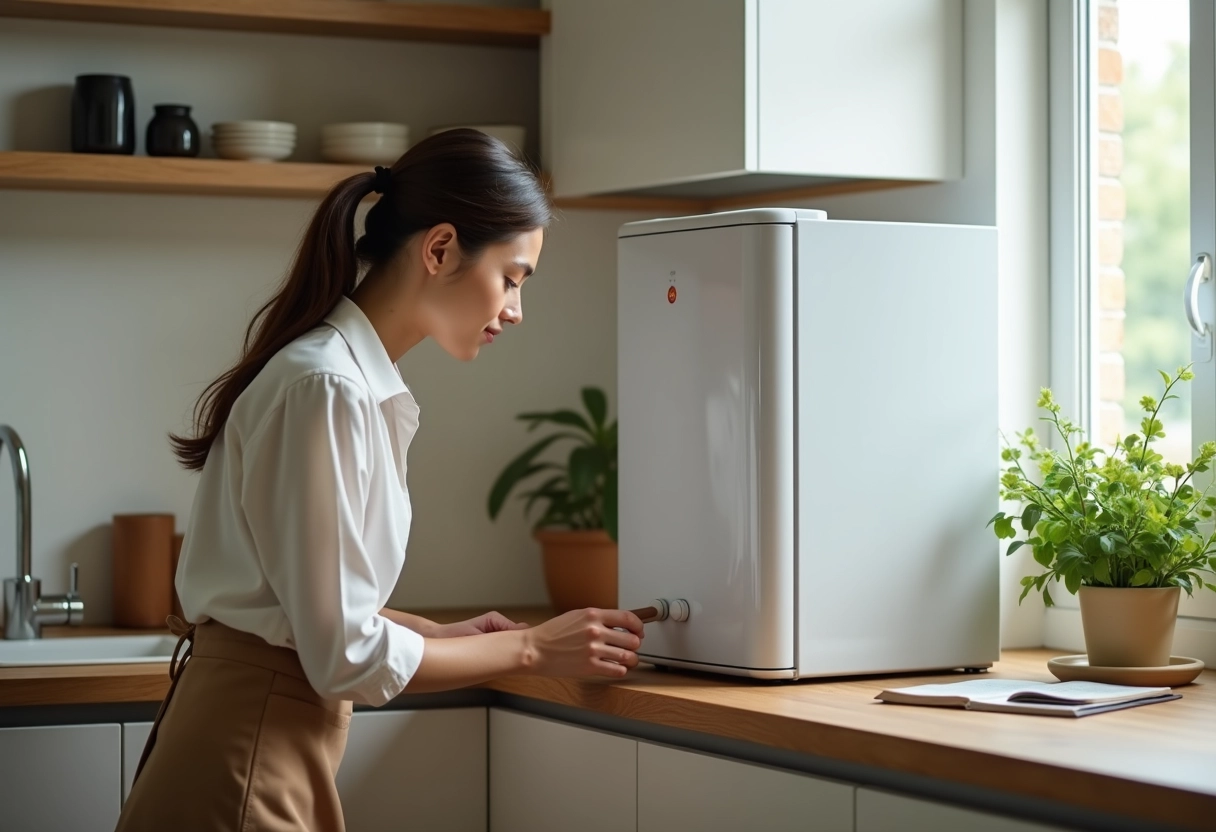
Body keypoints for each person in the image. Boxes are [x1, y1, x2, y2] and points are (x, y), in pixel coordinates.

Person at [115, 129, 645, 832]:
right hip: (246, 753)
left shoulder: (344, 381)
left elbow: (297, 608)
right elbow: (343, 654)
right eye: (512, 278)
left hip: (252, 740)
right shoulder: (328, 388)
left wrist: (438, 634)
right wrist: (531, 649)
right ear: (440, 248)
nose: (516, 310)